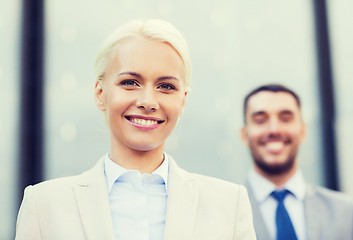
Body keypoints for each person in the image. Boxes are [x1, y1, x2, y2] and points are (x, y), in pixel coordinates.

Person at [15, 19, 256, 240]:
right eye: (130, 82)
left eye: (166, 86)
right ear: (100, 93)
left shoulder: (228, 205)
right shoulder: (44, 205)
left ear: (182, 101)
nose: (148, 101)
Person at [240, 84, 353, 240]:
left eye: (286, 119)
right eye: (260, 120)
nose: (274, 129)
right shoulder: (224, 211)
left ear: (303, 131)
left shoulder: (346, 212)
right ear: (244, 135)